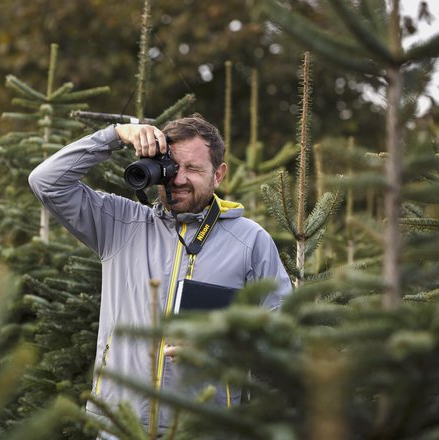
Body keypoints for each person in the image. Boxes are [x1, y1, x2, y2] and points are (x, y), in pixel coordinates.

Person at [28, 114, 291, 437]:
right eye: (172, 167)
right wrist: (116, 134)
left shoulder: (250, 241)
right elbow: (46, 182)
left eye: (193, 169)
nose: (179, 179)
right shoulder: (119, 224)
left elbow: (285, 337)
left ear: (218, 174)